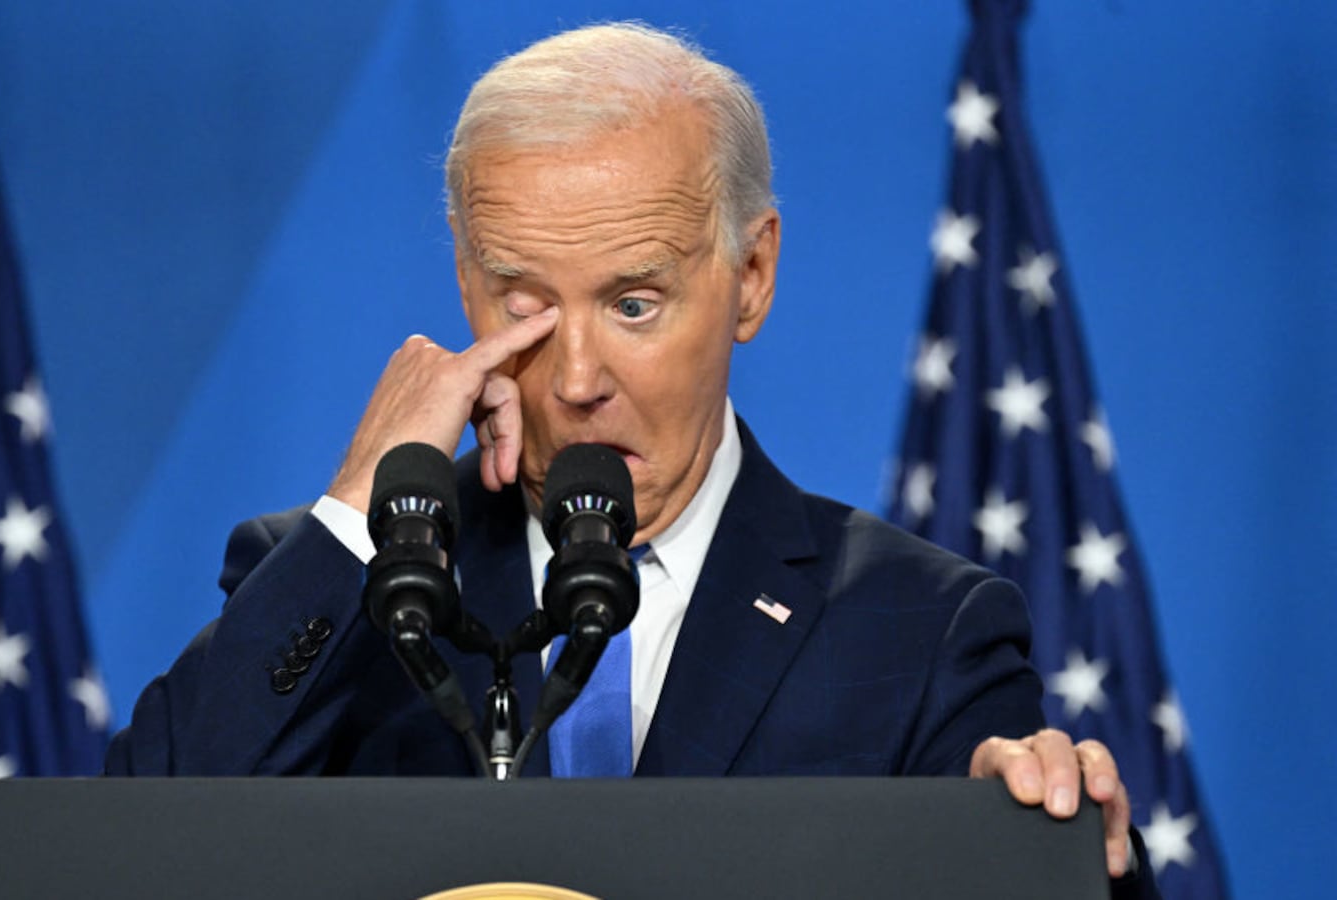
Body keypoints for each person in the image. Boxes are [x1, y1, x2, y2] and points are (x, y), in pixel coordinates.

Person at [107, 22, 1155, 894]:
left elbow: (1038, 867)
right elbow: (122, 861)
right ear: (466, 290)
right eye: (522, 306)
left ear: (750, 276)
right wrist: (356, 509)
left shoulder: (920, 633)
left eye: (633, 304)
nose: (573, 378)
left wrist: (1047, 844)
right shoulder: (344, 589)